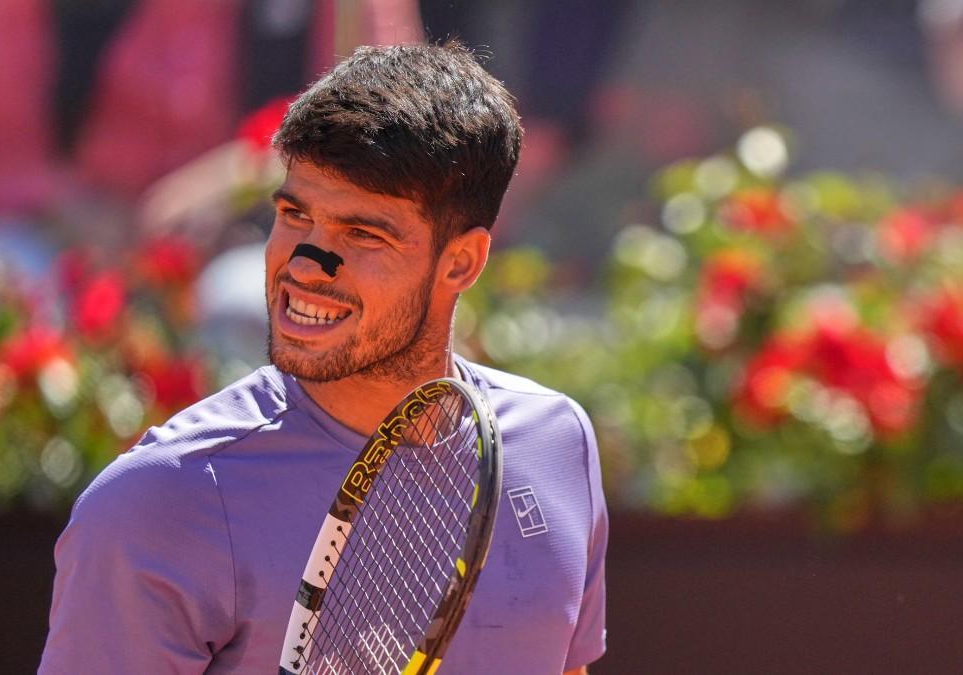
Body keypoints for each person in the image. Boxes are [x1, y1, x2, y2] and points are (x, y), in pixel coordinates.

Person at [39, 41, 607, 674]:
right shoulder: (154, 505)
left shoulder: (558, 443)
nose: (306, 265)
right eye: (294, 215)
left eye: (362, 234)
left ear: (462, 262)